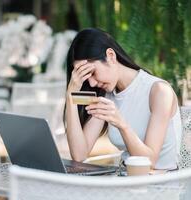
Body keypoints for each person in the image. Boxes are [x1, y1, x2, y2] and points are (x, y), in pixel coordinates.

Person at [66, 28, 181, 170]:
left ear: (111, 56)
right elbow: (79, 154)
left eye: (92, 72)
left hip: (164, 185)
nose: (91, 83)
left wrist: (121, 123)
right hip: (126, 181)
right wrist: (71, 95)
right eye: (84, 77)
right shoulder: (107, 94)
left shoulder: (159, 92)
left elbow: (149, 162)